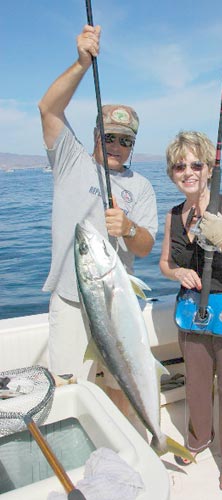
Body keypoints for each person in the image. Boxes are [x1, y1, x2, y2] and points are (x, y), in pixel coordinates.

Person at [38, 24, 158, 410]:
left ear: (133, 147)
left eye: (126, 140)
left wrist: (129, 227)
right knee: (68, 387)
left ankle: (129, 450)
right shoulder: (70, 160)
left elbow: (144, 247)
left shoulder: (140, 187)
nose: (116, 146)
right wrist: (81, 63)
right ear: (94, 134)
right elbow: (48, 108)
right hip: (72, 301)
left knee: (122, 387)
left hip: (118, 303)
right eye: (109, 136)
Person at [159, 131, 222, 494]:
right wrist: (176, 273)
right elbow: (164, 263)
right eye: (180, 165)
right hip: (193, 310)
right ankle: (198, 439)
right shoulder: (173, 214)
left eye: (196, 164)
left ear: (209, 168)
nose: (188, 171)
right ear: (172, 172)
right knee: (196, 381)